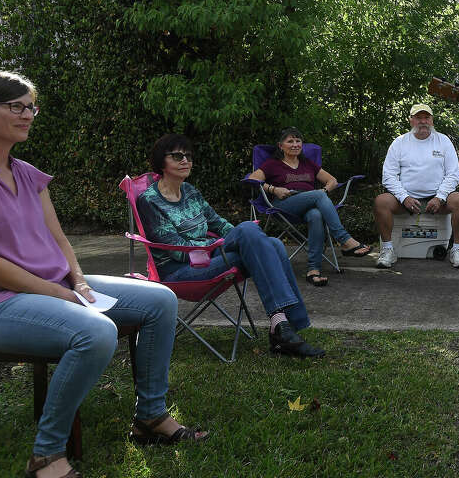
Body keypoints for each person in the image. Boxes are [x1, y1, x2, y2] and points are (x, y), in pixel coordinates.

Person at [0, 71, 205, 478]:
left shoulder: (28, 174)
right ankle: (46, 453)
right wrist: (61, 294)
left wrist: (76, 279)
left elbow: (60, 240)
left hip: (55, 285)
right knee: (95, 330)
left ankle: (149, 417)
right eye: (16, 106)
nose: (27, 114)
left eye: (31, 107)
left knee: (160, 300)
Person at [136, 133, 324, 359]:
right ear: (161, 162)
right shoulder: (149, 200)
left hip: (207, 256)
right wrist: (218, 244)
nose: (185, 160)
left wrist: (240, 238)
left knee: (270, 243)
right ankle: (286, 328)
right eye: (177, 156)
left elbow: (218, 223)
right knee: (253, 235)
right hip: (180, 272)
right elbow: (176, 250)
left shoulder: (190, 192)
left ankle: (280, 325)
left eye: (188, 156)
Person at [247, 127, 371, 286]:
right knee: (319, 195)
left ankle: (314, 270)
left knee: (316, 215)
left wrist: (324, 190)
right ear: (280, 146)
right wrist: (274, 189)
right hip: (284, 203)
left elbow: (332, 180)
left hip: (310, 203)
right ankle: (344, 240)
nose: (295, 144)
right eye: (290, 141)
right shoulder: (273, 164)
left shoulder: (307, 164)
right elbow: (253, 178)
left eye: (298, 141)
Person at [373, 103, 459, 268]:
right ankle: (388, 250)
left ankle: (457, 249)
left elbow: (453, 174)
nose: (423, 121)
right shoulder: (399, 142)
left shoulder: (444, 141)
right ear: (411, 121)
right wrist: (404, 198)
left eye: (427, 117)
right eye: (418, 118)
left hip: (438, 199)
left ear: (432, 121)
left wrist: (439, 197)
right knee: (381, 201)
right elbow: (388, 176)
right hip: (406, 200)